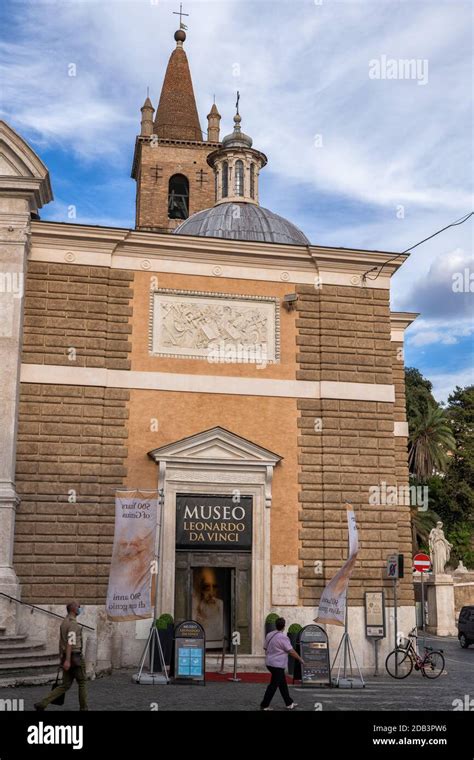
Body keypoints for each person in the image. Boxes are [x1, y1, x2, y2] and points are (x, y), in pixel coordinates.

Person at [34, 601, 88, 711]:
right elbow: (69, 642)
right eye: (79, 606)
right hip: (75, 658)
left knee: (65, 685)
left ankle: (43, 703)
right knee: (82, 683)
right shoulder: (72, 624)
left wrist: (62, 658)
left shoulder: (64, 622)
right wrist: (67, 660)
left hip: (66, 657)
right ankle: (84, 708)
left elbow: (61, 642)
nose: (80, 608)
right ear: (73, 609)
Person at [260, 617, 304, 711]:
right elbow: (291, 651)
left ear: (276, 625)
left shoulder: (269, 634)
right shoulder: (283, 638)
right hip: (278, 665)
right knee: (273, 686)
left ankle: (289, 703)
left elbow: (265, 648)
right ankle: (264, 705)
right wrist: (300, 659)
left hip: (270, 663)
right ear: (284, 626)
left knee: (282, 684)